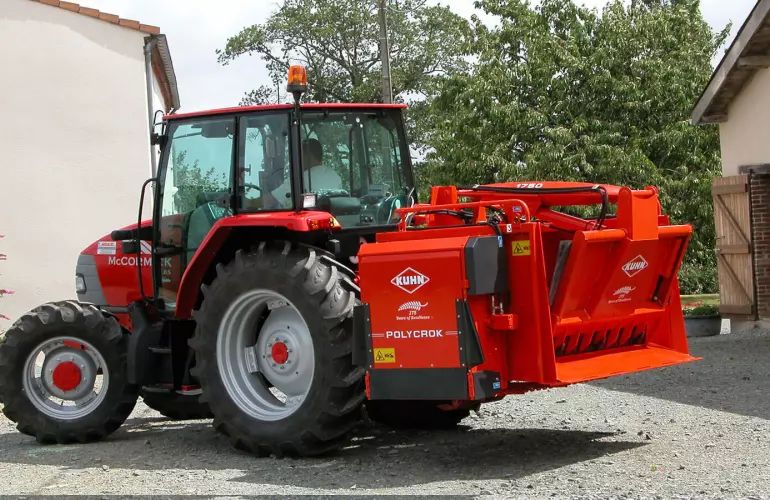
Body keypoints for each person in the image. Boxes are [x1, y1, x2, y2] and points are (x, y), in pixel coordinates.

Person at [245, 138, 343, 210]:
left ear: (307, 155)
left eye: (300, 155)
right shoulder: (335, 176)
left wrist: (248, 202)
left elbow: (270, 200)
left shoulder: (300, 180)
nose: (298, 160)